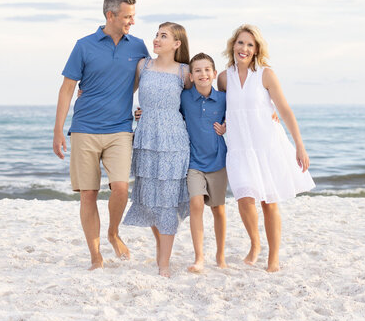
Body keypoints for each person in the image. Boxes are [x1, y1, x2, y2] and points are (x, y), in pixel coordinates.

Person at [52, 0, 150, 270]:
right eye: (127, 16)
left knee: (120, 188)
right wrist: (58, 130)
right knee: (88, 194)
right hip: (84, 129)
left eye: (133, 15)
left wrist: (144, 109)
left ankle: (113, 232)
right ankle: (95, 255)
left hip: (120, 128)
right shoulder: (84, 46)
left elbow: (146, 80)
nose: (132, 20)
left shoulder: (139, 46)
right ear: (111, 15)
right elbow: (67, 89)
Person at [216, 23, 313, 272]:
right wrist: (225, 125)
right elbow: (224, 109)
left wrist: (299, 146)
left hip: (266, 146)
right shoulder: (224, 78)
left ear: (256, 49)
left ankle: (273, 257)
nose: (244, 48)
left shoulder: (266, 74)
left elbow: (285, 110)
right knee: (244, 199)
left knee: (269, 203)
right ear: (233, 45)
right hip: (239, 149)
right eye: (240, 43)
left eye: (250, 44)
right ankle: (255, 244)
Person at [121, 22, 191, 277]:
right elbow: (122, 93)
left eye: (164, 36)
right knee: (149, 200)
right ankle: (164, 249)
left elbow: (199, 101)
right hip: (146, 138)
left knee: (168, 202)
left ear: (176, 44)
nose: (157, 39)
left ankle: (164, 264)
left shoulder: (184, 71)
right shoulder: (144, 66)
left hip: (174, 141)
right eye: (157, 35)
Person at [179, 52, 228, 273]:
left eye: (207, 69)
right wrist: (141, 114)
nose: (203, 74)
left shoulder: (224, 99)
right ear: (191, 76)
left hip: (218, 161)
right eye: (197, 70)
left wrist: (227, 125)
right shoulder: (184, 98)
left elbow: (241, 115)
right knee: (196, 203)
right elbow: (166, 113)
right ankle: (199, 257)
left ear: (214, 73)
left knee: (218, 209)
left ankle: (220, 254)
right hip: (193, 162)